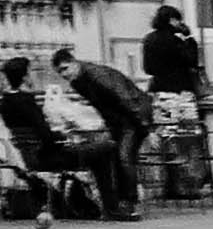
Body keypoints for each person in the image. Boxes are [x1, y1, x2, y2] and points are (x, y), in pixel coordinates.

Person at [0, 52, 120, 228]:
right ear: (24, 77)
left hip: (30, 156)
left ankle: (97, 204)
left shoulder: (5, 102)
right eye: (30, 73)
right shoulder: (25, 101)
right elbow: (45, 135)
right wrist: (62, 137)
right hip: (47, 157)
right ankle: (111, 207)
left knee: (96, 151)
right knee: (107, 148)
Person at [50, 44, 152, 218]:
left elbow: (125, 98)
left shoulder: (97, 75)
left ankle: (129, 202)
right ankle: (119, 203)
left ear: (74, 62)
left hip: (133, 115)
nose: (64, 75)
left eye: (65, 69)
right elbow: (101, 105)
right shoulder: (79, 82)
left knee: (124, 157)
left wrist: (145, 127)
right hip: (120, 118)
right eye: (60, 72)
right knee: (116, 156)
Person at [141, 3, 209, 200]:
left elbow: (147, 68)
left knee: (167, 138)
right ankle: (188, 184)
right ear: (173, 20)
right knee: (187, 138)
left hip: (161, 94)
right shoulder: (178, 40)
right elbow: (192, 61)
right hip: (181, 93)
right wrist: (189, 38)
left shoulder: (149, 40)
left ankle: (170, 183)